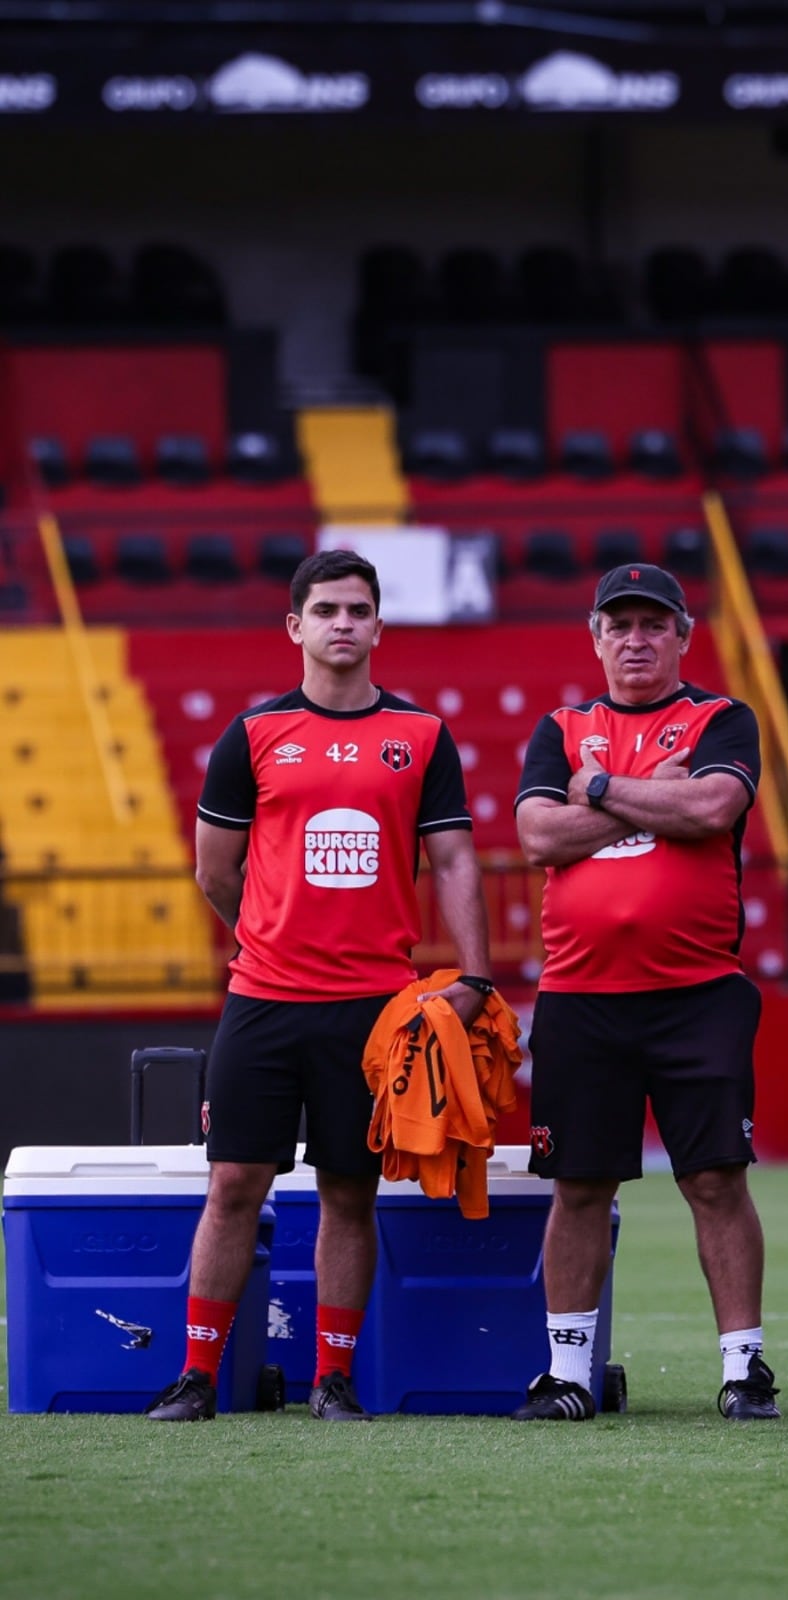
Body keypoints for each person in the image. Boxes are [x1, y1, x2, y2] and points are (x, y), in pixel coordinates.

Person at [146, 548, 492, 1422]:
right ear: (296, 626)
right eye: (327, 609)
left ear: (379, 625)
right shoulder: (253, 734)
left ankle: (330, 1381)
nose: (344, 623)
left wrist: (479, 975)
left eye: (358, 609)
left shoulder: (421, 738)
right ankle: (197, 1377)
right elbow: (213, 871)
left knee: (349, 1189)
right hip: (263, 1001)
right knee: (233, 1184)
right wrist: (273, 937)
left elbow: (453, 858)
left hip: (374, 1010)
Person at [511, 562, 779, 1422]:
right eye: (618, 624)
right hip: (582, 995)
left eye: (652, 624)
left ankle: (744, 1370)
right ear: (595, 636)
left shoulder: (721, 717)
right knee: (581, 1186)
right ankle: (569, 1374)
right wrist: (644, 796)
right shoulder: (562, 726)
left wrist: (595, 789)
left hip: (698, 991)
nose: (635, 639)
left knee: (715, 1180)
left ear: (682, 636)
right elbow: (536, 832)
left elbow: (711, 811)